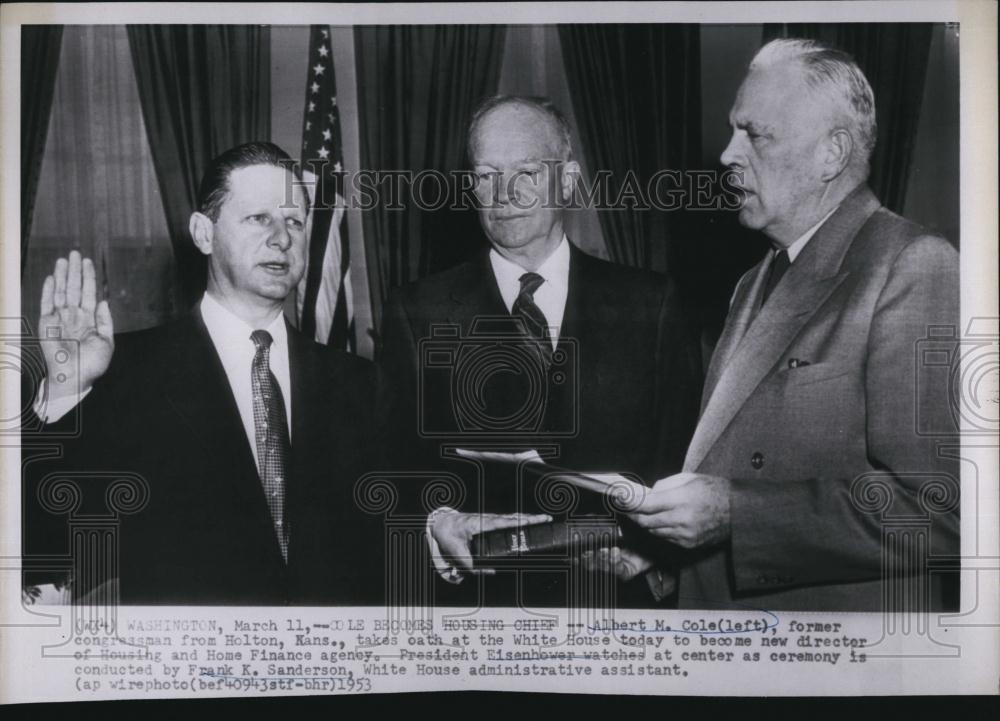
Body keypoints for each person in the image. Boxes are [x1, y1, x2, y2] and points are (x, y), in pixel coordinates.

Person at [616, 39, 960, 611]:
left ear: (832, 153)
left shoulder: (912, 264)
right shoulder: (754, 280)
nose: (727, 154)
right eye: (732, 131)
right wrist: (661, 556)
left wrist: (735, 514)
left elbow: (943, 509)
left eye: (755, 133)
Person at [23, 141, 386, 605]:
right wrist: (65, 389)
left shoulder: (359, 384)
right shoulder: (122, 373)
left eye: (294, 221)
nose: (282, 239)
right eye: (259, 218)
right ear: (203, 233)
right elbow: (41, 542)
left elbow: (385, 548)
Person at [378, 95, 701, 607]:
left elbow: (686, 454)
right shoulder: (417, 311)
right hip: (484, 610)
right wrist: (439, 521)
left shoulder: (651, 303)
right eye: (486, 174)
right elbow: (395, 465)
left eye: (527, 171)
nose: (504, 193)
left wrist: (655, 551)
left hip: (621, 605)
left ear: (569, 180)